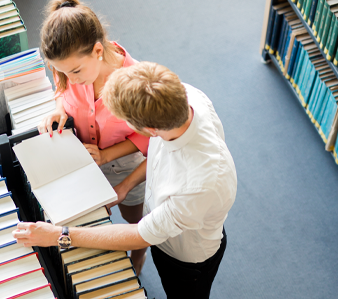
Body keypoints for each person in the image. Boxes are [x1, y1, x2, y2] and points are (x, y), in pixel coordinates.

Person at [14, 61, 237, 298]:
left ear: (149, 129)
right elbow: (160, 160)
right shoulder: (182, 99)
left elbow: (140, 234)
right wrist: (125, 186)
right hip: (166, 226)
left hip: (185, 258)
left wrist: (60, 235)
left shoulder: (200, 184)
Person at [37, 0, 149, 273]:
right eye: (63, 72)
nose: (71, 79)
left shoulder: (135, 83)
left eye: (75, 71)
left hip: (127, 169)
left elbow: (151, 141)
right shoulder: (68, 67)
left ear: (98, 50)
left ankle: (137, 262)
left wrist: (110, 161)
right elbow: (62, 89)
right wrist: (59, 109)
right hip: (83, 162)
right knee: (91, 225)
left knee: (135, 223)